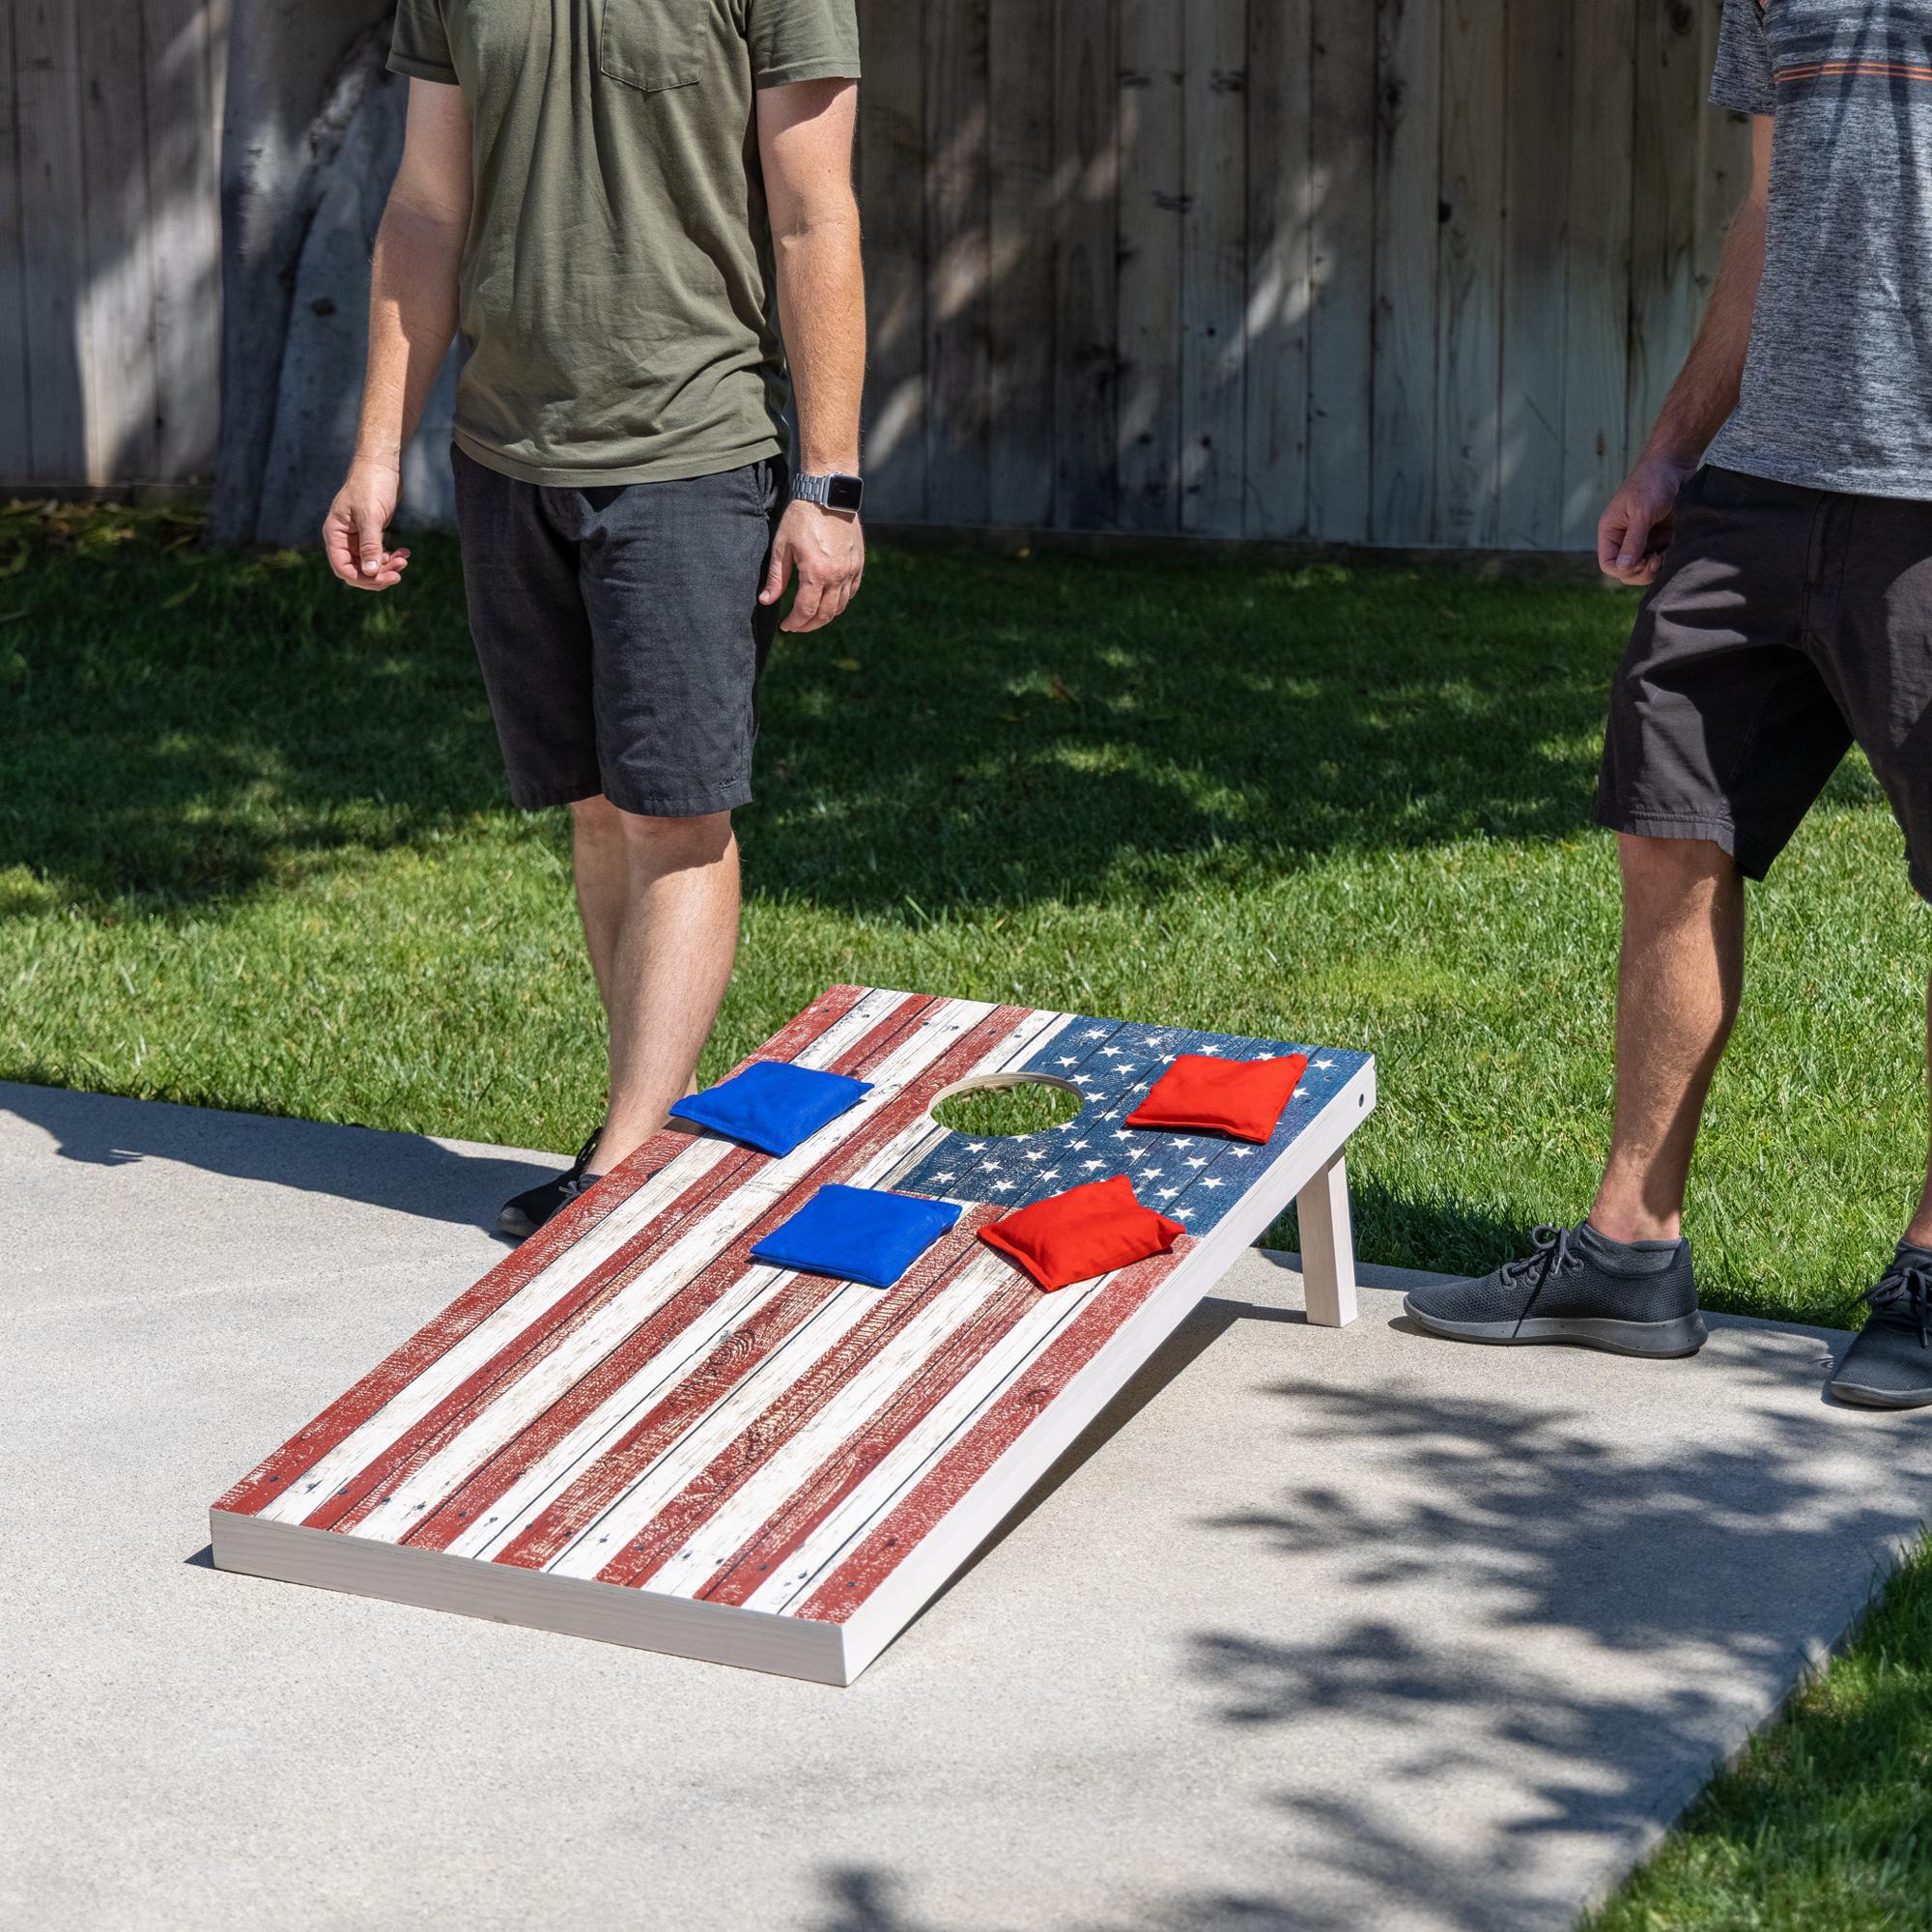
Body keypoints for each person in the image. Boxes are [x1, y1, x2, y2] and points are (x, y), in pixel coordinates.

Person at [1404, 0, 1932, 1406]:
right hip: (1764, 485)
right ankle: (1631, 1250)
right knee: (1668, 824)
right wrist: (1668, 455)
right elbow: (1769, 212)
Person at [322, 0, 868, 1239]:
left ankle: (619, 1171)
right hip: (506, 449)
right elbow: (424, 209)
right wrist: (373, 452)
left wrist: (826, 482)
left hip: (692, 445)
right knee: (595, 804)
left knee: (675, 806)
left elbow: (812, 213)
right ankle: (644, 1124)